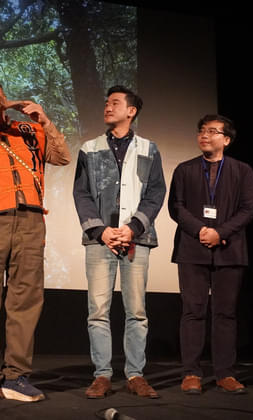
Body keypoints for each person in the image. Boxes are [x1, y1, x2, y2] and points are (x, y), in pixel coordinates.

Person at [0, 77, 70, 403]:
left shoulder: (28, 130)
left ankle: (16, 376)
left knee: (25, 302)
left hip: (30, 220)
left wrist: (44, 120)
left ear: (6, 98)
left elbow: (61, 157)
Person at [73, 85, 166, 399]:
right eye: (106, 103)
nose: (107, 107)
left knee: (136, 311)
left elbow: (155, 193)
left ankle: (135, 374)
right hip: (101, 241)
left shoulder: (149, 148)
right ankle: (102, 375)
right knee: (97, 310)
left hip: (135, 240)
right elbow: (81, 194)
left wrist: (134, 227)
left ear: (132, 110)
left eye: (115, 103)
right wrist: (100, 231)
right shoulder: (90, 148)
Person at [168, 114, 253, 395]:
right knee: (193, 311)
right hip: (192, 249)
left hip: (229, 249)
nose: (204, 135)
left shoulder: (243, 171)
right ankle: (192, 373)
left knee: (225, 313)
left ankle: (225, 374)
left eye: (212, 131)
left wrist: (220, 233)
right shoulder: (184, 169)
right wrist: (201, 231)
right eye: (201, 130)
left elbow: (248, 209)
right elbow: (177, 207)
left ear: (226, 140)